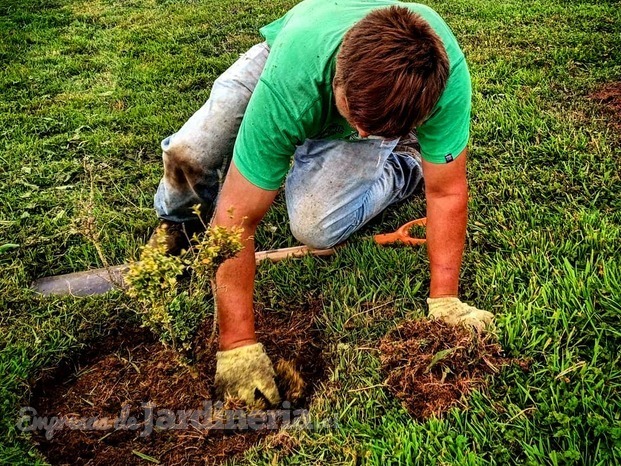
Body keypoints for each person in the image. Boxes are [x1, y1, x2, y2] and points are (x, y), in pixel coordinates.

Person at [151, 0, 493, 407]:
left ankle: (404, 163)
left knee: (316, 227)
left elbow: (447, 192)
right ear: (338, 80)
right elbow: (235, 220)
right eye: (355, 119)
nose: (361, 132)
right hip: (294, 55)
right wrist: (237, 344)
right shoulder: (292, 83)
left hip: (367, 90)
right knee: (189, 152)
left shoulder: (442, 82)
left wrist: (445, 300)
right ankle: (176, 224)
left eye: (375, 131)